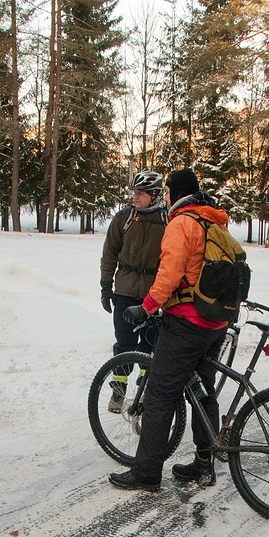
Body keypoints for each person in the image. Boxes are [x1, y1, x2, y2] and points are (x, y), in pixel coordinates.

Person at [108, 168, 231, 491]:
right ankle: (203, 464)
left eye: (166, 192)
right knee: (203, 391)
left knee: (160, 395)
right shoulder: (214, 219)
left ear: (176, 193)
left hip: (188, 322)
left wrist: (145, 307)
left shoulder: (182, 222)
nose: (164, 197)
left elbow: (170, 274)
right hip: (216, 321)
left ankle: (146, 472)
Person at [99, 171, 167, 412]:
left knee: (150, 346)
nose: (135, 197)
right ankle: (118, 388)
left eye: (140, 193)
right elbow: (109, 254)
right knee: (124, 343)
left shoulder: (167, 220)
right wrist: (106, 287)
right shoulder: (124, 218)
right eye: (134, 193)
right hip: (125, 292)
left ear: (154, 194)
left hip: (153, 295)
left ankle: (144, 390)